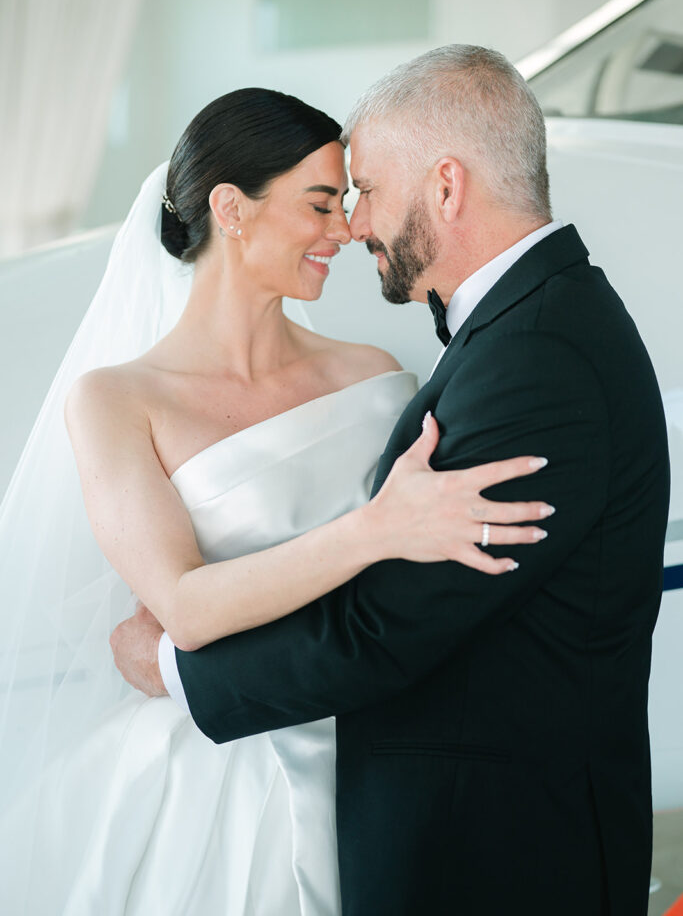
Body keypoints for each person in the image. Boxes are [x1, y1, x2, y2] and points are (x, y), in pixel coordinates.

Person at [114, 46, 670, 916]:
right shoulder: (536, 327)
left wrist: (173, 670)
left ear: (445, 187)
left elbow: (388, 626)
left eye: (363, 190)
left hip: (496, 851)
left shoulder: (535, 358)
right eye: (330, 199)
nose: (353, 223)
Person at [0, 87, 549, 914]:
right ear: (231, 208)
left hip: (382, 753)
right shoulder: (114, 402)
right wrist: (374, 531)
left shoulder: (373, 377)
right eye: (320, 203)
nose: (345, 229)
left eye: (348, 202)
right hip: (210, 782)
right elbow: (182, 606)